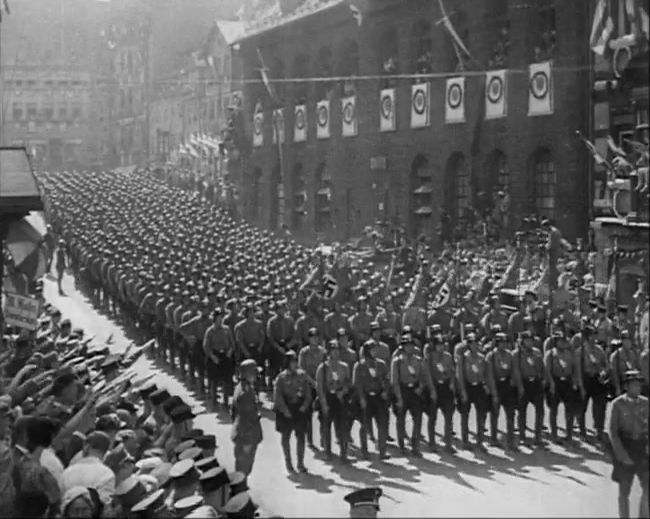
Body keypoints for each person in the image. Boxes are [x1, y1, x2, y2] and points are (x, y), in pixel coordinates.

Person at [608, 370, 648, 519]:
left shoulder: (646, 403)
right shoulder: (617, 404)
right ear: (626, 387)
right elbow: (613, 432)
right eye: (634, 385)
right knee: (624, 492)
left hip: (643, 449)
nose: (637, 388)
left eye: (639, 385)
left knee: (647, 488)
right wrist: (622, 456)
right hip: (626, 447)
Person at [390, 336, 430, 457]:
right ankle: (402, 446)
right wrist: (399, 398)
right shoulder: (397, 361)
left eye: (411, 345)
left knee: (417, 419)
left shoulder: (418, 360)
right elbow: (394, 381)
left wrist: (421, 387)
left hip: (415, 391)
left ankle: (415, 446)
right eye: (407, 346)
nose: (410, 348)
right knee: (401, 419)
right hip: (402, 390)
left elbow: (424, 376)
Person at [273, 351, 312, 474]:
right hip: (287, 410)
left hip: (299, 409)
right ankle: (288, 463)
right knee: (286, 437)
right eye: (292, 362)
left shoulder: (302, 375)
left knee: (301, 436)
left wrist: (304, 406)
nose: (295, 364)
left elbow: (308, 394)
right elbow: (277, 396)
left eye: (296, 361)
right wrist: (284, 410)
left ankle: (300, 463)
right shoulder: (281, 378)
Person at [315, 340, 351, 462]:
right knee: (326, 427)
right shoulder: (323, 368)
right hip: (327, 397)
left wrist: (344, 391)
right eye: (333, 350)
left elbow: (347, 382)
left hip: (340, 398)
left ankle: (344, 454)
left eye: (337, 350)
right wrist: (323, 404)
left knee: (342, 426)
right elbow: (319, 387)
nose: (335, 353)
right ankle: (327, 452)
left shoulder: (344, 366)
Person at [353, 343, 390, 460]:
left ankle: (382, 450)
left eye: (375, 350)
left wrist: (386, 391)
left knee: (382, 424)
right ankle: (365, 451)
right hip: (366, 397)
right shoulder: (359, 366)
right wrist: (361, 399)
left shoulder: (381, 364)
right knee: (364, 425)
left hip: (379, 396)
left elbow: (387, 379)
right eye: (372, 350)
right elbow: (357, 384)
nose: (375, 352)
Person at [485, 333, 519, 451]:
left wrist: (514, 385)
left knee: (510, 414)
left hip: (507, 385)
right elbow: (489, 375)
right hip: (496, 384)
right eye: (501, 343)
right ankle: (493, 438)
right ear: (497, 343)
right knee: (495, 413)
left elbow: (514, 371)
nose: (504, 345)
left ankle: (511, 440)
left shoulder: (510, 355)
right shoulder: (491, 356)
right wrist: (493, 392)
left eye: (505, 343)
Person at [423, 332, 456, 453]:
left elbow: (452, 371)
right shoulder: (429, 357)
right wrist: (432, 390)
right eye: (439, 345)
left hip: (446, 387)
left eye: (443, 344)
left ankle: (448, 443)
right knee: (432, 417)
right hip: (435, 386)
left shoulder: (448, 356)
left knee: (448, 417)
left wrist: (452, 383)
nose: (441, 347)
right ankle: (432, 443)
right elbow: (428, 375)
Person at [456, 333, 489, 452]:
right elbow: (460, 376)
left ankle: (480, 441)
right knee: (465, 415)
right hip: (467, 387)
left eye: (476, 343)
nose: (475, 346)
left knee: (481, 415)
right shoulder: (463, 358)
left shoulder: (482, 357)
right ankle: (465, 441)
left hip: (479, 387)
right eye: (472, 344)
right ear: (468, 345)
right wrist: (463, 391)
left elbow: (486, 373)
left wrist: (486, 386)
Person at [231, 359, 263, 476]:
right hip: (246, 435)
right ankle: (240, 489)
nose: (256, 376)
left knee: (243, 466)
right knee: (244, 466)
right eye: (254, 373)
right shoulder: (245, 393)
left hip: (242, 431)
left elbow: (233, 413)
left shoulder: (243, 387)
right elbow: (245, 417)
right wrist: (247, 441)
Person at [514, 331, 545, 448]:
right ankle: (522, 436)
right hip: (524, 382)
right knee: (522, 411)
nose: (530, 342)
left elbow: (542, 367)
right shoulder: (517, 354)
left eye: (531, 340)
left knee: (540, 410)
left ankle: (538, 437)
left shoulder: (537, 352)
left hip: (535, 383)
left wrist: (542, 380)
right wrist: (520, 386)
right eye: (527, 340)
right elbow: (516, 370)